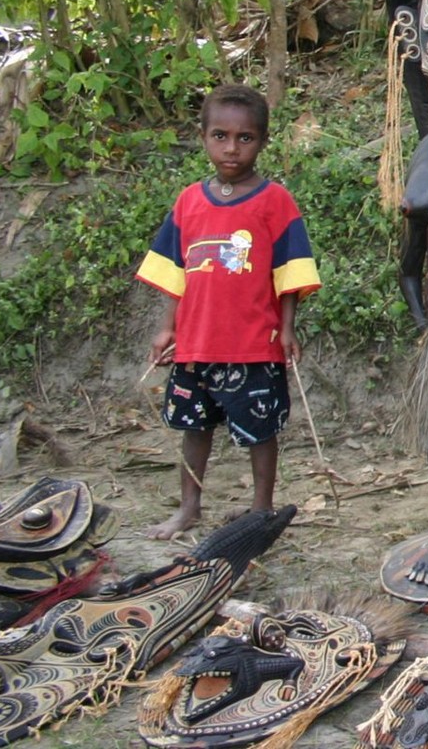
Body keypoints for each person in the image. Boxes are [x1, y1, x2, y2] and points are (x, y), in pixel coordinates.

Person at [137, 84, 320, 540]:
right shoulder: (188, 202)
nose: (232, 148)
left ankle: (261, 510)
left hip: (255, 343)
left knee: (260, 432)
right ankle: (189, 508)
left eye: (245, 138)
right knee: (194, 428)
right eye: (220, 136)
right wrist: (166, 329)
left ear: (263, 141)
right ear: (203, 136)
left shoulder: (275, 201)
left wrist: (287, 327)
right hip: (196, 343)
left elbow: (289, 272)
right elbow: (176, 272)